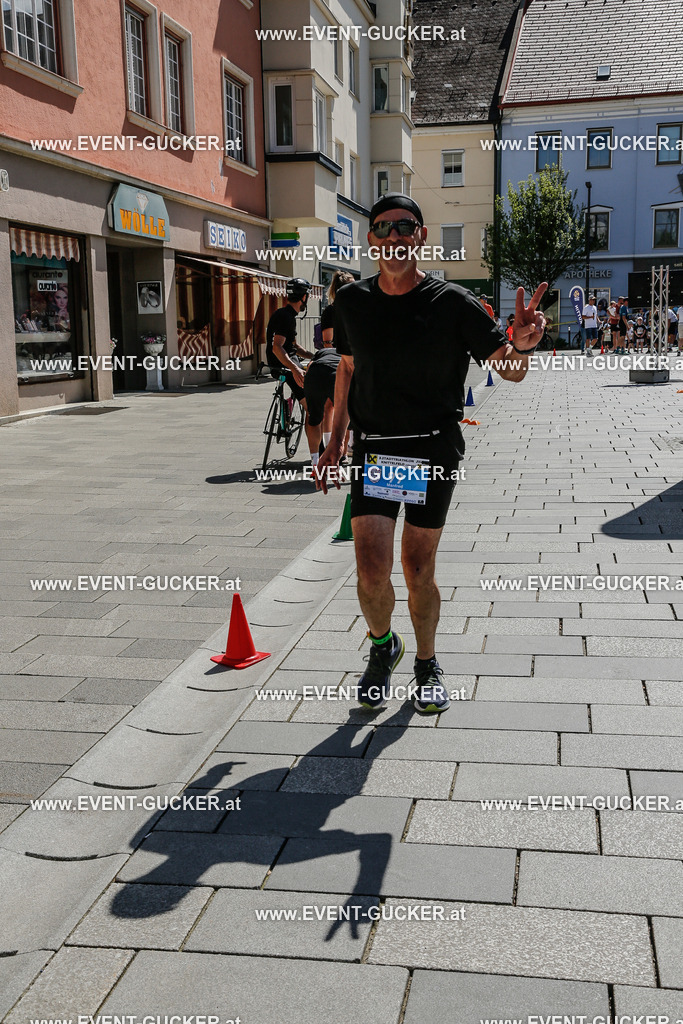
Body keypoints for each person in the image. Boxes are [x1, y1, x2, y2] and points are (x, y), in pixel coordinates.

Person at [315, 192, 546, 715]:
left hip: (432, 449)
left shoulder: (453, 302)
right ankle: (382, 647)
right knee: (371, 571)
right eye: (384, 228)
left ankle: (426, 663)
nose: (394, 237)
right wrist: (335, 438)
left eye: (405, 227)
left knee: (418, 569)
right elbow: (347, 368)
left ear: (421, 236)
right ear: (371, 240)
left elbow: (508, 368)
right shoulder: (350, 301)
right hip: (376, 451)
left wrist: (523, 346)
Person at [303, 272, 354, 467]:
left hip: (331, 362)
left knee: (330, 409)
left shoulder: (345, 310)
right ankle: (335, 450)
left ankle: (334, 453)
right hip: (337, 363)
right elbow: (328, 341)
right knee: (337, 408)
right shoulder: (334, 311)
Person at [265, 277, 319, 461]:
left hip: (284, 363)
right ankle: (317, 454)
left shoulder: (285, 314)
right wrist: (295, 369)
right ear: (303, 297)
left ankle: (288, 406)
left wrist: (315, 356)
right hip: (284, 366)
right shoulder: (285, 317)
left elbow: (294, 347)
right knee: (313, 408)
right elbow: (277, 347)